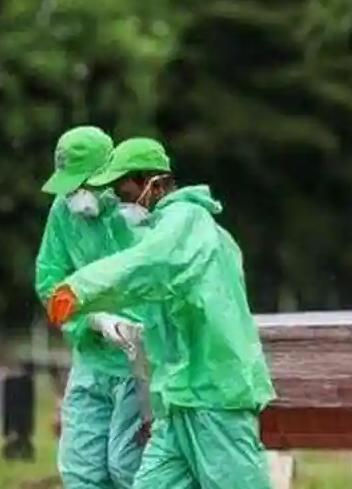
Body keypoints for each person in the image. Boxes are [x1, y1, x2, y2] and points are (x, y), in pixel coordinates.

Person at [45, 137, 276, 489]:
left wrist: (80, 290)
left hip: (217, 396)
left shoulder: (187, 221)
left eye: (121, 189)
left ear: (150, 182)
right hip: (179, 398)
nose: (118, 200)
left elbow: (146, 265)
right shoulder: (164, 229)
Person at [35, 126, 147, 489]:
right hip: (90, 359)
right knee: (81, 471)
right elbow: (50, 283)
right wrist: (91, 321)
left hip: (139, 362)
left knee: (128, 467)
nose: (73, 194)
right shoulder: (63, 214)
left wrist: (134, 327)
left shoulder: (136, 213)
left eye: (80, 183)